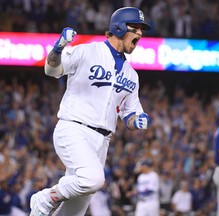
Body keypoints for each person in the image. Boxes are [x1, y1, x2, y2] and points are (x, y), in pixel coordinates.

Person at [29, 6, 151, 216]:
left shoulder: (132, 75)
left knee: (74, 211)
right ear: (120, 28)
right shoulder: (88, 51)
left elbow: (129, 115)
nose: (140, 33)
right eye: (135, 27)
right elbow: (51, 69)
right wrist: (59, 47)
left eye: (142, 29)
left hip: (102, 141)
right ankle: (45, 198)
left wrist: (138, 120)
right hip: (74, 129)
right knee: (92, 179)